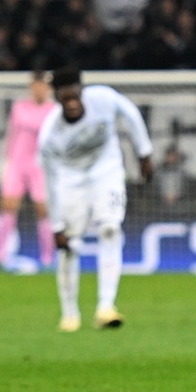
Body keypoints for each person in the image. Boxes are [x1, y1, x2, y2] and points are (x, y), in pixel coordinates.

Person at [37, 66, 154, 332]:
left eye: (75, 95)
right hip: (71, 181)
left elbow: (131, 114)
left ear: (82, 91)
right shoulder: (50, 136)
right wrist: (55, 226)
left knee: (111, 228)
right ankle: (69, 313)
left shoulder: (103, 98)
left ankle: (106, 307)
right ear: (57, 98)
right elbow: (50, 182)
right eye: (65, 98)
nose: (72, 102)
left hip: (107, 171)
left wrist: (144, 153)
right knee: (70, 245)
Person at [0, 70, 56, 270]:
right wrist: (4, 161)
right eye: (35, 84)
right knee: (8, 206)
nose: (38, 88)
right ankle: (0, 257)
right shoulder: (20, 107)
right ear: (31, 86)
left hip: (40, 166)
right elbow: (12, 134)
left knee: (43, 210)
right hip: (17, 163)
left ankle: (48, 259)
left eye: (42, 84)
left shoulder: (54, 109)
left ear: (47, 87)